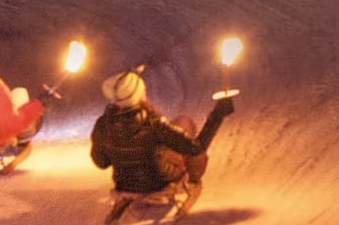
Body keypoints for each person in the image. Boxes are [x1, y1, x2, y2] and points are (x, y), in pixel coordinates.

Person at [90, 69, 236, 208]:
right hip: (157, 183)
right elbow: (196, 147)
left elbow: (101, 162)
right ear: (138, 96)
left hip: (124, 184)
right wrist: (218, 114)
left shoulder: (103, 124)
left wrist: (117, 149)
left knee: (176, 128)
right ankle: (192, 180)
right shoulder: (153, 124)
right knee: (187, 131)